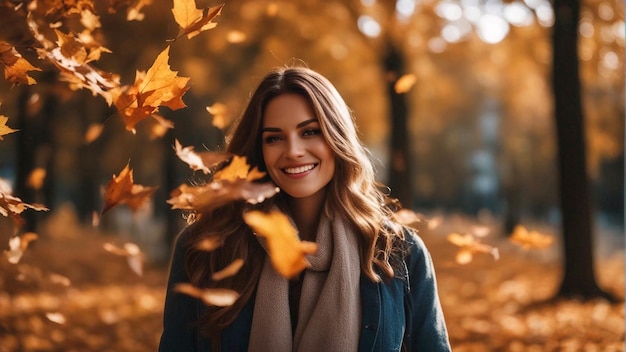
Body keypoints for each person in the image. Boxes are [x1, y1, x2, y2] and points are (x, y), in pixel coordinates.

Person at [159, 66, 451, 352]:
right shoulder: (206, 247)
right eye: (274, 138)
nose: (293, 151)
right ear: (258, 149)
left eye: (310, 132)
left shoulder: (399, 251)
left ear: (336, 137)